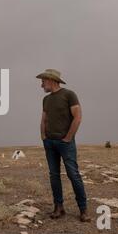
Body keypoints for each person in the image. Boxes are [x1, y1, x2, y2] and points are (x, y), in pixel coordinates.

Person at [36, 69, 90, 222]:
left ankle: (83, 209)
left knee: (73, 174)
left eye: (43, 81)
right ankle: (58, 207)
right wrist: (43, 136)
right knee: (54, 176)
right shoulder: (46, 100)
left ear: (51, 80)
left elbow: (78, 117)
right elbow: (44, 119)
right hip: (49, 143)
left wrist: (68, 137)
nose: (41, 85)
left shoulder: (69, 95)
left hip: (65, 143)